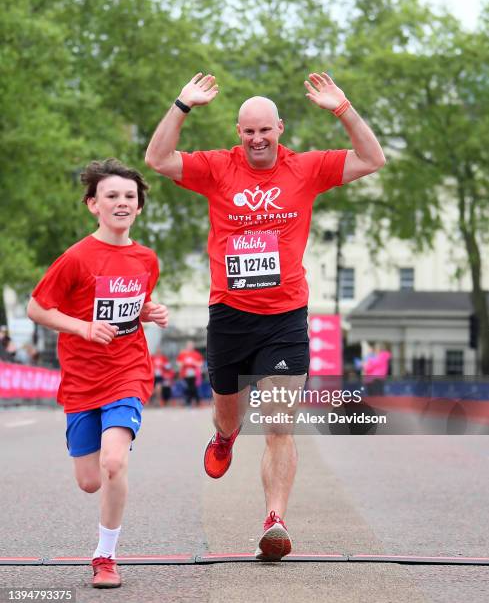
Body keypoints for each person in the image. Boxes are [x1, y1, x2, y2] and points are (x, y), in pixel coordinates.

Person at [145, 71, 385, 560]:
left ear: (280, 130)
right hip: (230, 314)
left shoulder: (307, 168)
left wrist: (343, 108)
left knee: (279, 423)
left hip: (285, 316)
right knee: (229, 412)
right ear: (239, 133)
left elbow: (372, 158)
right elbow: (157, 159)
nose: (257, 139)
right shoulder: (217, 168)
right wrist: (181, 105)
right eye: (248, 131)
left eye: (265, 130)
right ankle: (225, 435)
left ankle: (275, 519)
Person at [27, 159, 169, 588]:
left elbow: (128, 309)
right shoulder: (75, 258)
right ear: (94, 204)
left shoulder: (146, 259)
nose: (122, 203)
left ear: (139, 207)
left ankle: (105, 556)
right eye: (112, 196)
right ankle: (102, 453)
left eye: (129, 196)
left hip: (128, 372)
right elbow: (37, 308)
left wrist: (148, 311)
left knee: (113, 463)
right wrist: (82, 328)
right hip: (81, 380)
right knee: (90, 481)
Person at [176, 340, 204, 407]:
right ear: (187, 346)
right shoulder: (183, 354)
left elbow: (201, 364)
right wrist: (185, 363)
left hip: (194, 374)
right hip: (185, 374)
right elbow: (178, 363)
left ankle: (192, 401)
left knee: (193, 387)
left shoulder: (197, 354)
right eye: (189, 345)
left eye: (191, 345)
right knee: (188, 388)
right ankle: (192, 401)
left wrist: (193, 363)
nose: (190, 347)